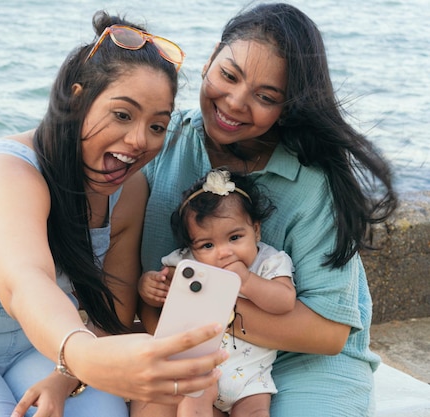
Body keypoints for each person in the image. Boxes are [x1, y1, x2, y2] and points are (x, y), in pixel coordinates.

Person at [0, 11, 231, 417]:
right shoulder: (6, 172)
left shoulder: (129, 192)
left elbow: (116, 309)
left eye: (157, 126)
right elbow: (25, 282)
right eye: (123, 115)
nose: (139, 140)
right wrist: (82, 356)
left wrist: (66, 374)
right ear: (76, 98)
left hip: (37, 350)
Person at [132, 3, 398, 417]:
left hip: (302, 360)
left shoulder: (313, 182)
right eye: (229, 75)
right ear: (211, 59)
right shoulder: (161, 143)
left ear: (287, 106)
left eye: (266, 96)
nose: (236, 102)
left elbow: (327, 335)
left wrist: (212, 303)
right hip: (188, 347)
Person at [138, 168, 295, 417]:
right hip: (201, 368)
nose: (223, 252)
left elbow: (285, 301)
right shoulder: (188, 263)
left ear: (256, 230)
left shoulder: (269, 262)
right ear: (191, 246)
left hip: (252, 379)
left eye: (234, 237)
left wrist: (247, 281)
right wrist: (148, 287)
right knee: (192, 408)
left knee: (255, 413)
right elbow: (163, 286)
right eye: (207, 245)